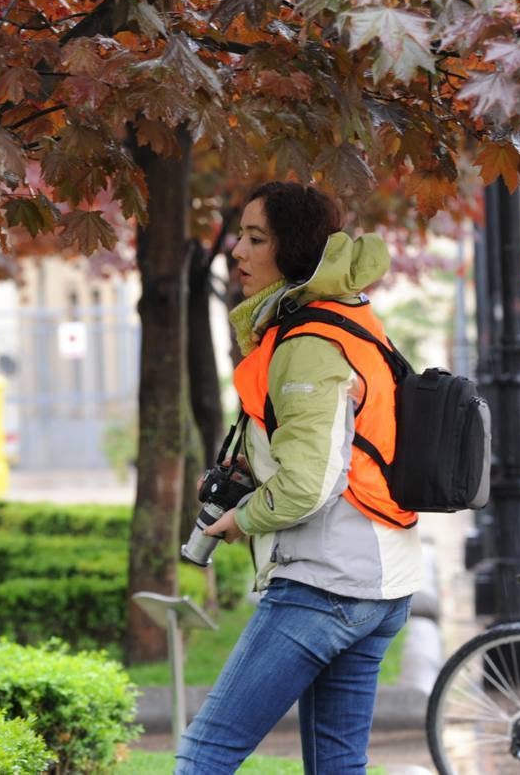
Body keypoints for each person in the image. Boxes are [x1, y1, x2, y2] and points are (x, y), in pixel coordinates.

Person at [174, 182, 424, 774]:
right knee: (337, 767)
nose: (237, 250)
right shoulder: (349, 318)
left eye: (256, 238)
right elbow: (343, 445)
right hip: (384, 581)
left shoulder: (308, 341)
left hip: (327, 586)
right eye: (240, 235)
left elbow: (310, 483)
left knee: (204, 754)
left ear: (295, 251)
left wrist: (241, 517)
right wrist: (257, 470)